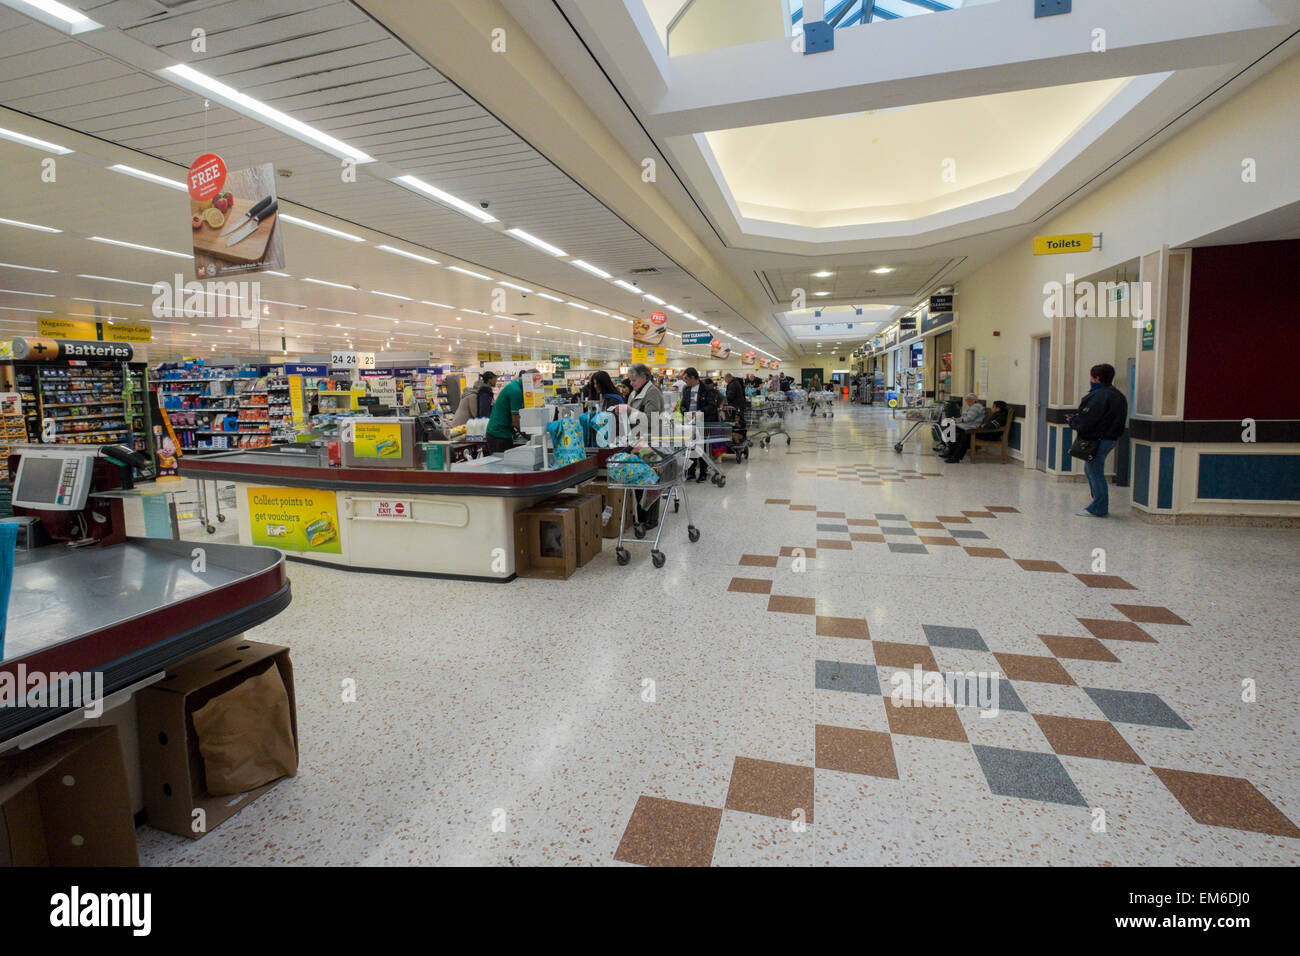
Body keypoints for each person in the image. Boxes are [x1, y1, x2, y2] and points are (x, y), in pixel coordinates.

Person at [1068, 363, 1128, 517]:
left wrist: (1073, 422)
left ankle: (1099, 507)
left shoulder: (1099, 396)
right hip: (1110, 438)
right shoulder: (1118, 395)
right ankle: (1097, 503)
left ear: (1097, 378)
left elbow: (1088, 419)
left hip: (1098, 439)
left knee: (1095, 472)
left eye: (1091, 376)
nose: (1090, 379)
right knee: (1091, 469)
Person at [677, 367, 719, 482]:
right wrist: (685, 411)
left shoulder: (707, 390)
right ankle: (691, 472)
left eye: (686, 378)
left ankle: (703, 473)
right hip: (689, 422)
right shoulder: (686, 389)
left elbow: (712, 406)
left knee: (701, 447)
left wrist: (700, 412)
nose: (685, 381)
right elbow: (682, 404)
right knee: (690, 446)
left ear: (693, 377)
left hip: (703, 422)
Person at [484, 369, 536, 454]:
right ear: (528, 380)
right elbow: (515, 422)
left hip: (502, 433)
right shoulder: (516, 391)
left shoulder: (516, 386)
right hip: (499, 435)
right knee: (502, 464)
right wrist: (530, 438)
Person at [940, 393, 987, 462]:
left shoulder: (976, 407)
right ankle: (949, 450)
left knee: (949, 428)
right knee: (949, 428)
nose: (967, 403)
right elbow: (966, 416)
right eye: (967, 401)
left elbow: (970, 418)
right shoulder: (974, 406)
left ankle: (949, 450)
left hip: (970, 427)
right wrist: (958, 419)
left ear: (974, 401)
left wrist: (960, 420)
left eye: (968, 401)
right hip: (966, 425)